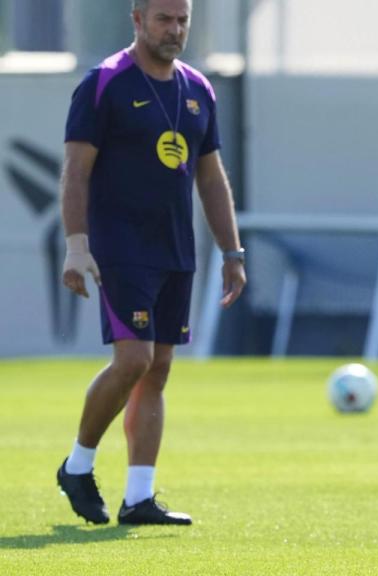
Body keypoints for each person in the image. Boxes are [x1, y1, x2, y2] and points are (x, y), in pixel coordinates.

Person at [57, 0, 246, 526]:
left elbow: (210, 176)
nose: (175, 29)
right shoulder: (105, 83)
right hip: (120, 247)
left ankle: (138, 498)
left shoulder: (198, 89)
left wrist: (231, 250)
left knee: (158, 371)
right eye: (164, 19)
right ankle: (78, 465)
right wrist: (77, 244)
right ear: (137, 19)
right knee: (134, 360)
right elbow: (76, 171)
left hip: (174, 249)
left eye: (182, 19)